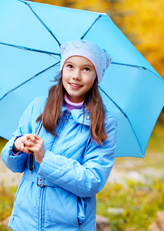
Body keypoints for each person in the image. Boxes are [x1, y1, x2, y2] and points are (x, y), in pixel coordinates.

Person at [1, 40, 117, 231]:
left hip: (68, 225)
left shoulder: (103, 122)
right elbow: (13, 165)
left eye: (86, 69)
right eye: (70, 66)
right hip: (25, 220)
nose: (76, 76)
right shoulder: (38, 106)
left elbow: (92, 180)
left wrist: (45, 158)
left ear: (97, 75)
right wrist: (16, 146)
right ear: (62, 68)